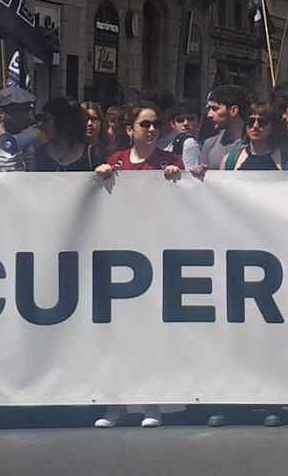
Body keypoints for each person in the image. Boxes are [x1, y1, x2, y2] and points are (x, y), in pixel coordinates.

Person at [91, 104, 183, 430]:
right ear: (130, 129)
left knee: (149, 334)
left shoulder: (170, 162)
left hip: (155, 257)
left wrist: (177, 181)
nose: (152, 129)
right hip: (119, 256)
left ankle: (151, 403)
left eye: (157, 124)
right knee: (116, 335)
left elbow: (186, 202)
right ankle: (114, 404)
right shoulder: (116, 161)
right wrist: (98, 177)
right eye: (145, 124)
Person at [35, 98, 98, 172]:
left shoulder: (92, 154)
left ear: (63, 122)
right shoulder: (41, 153)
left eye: (46, 120)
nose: (40, 125)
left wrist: (106, 172)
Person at [199, 85, 251, 172]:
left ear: (233, 110)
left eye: (215, 109)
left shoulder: (256, 144)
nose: (209, 115)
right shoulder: (209, 144)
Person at [0, 86, 44, 173]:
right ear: (2, 111)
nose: (23, 115)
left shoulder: (37, 136)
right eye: (16, 110)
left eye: (26, 109)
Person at [162, 103, 206, 171]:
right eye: (180, 120)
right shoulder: (167, 147)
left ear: (199, 121)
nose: (185, 123)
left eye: (190, 119)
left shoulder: (197, 144)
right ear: (173, 124)